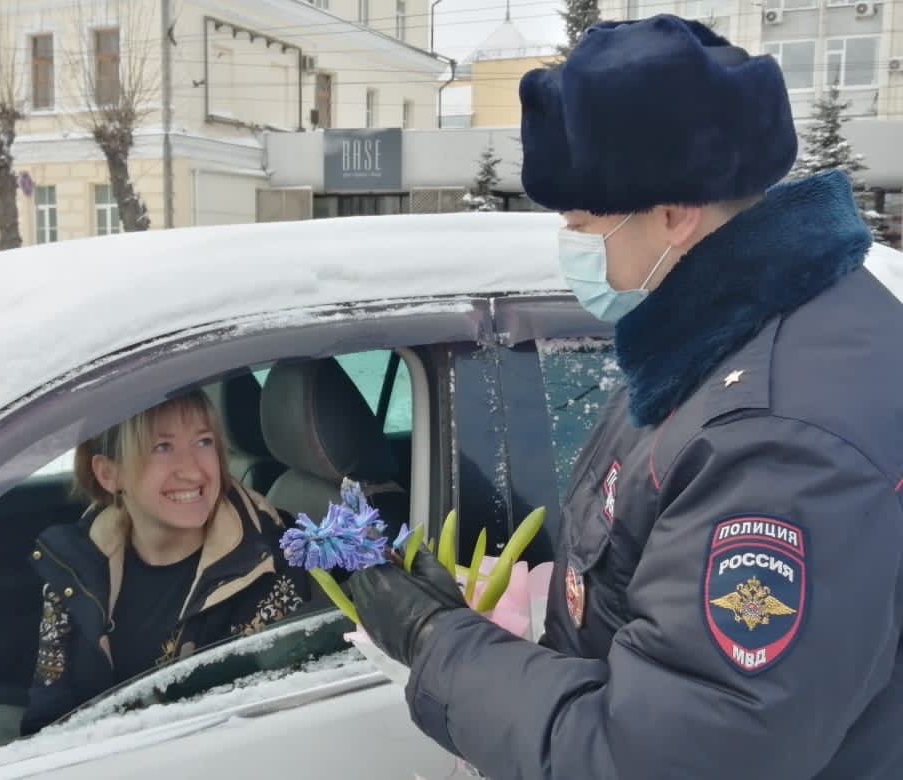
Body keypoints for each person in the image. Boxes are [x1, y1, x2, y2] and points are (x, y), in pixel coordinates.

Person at [349, 15, 903, 779]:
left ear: (674, 214)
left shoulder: (776, 438)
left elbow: (660, 757)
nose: (568, 245)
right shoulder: (710, 346)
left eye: (580, 222)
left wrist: (439, 646)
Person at [20, 389, 310, 735]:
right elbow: (47, 718)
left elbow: (267, 724)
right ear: (109, 474)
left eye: (203, 442)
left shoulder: (270, 564)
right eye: (162, 447)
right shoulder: (74, 567)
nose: (192, 471)